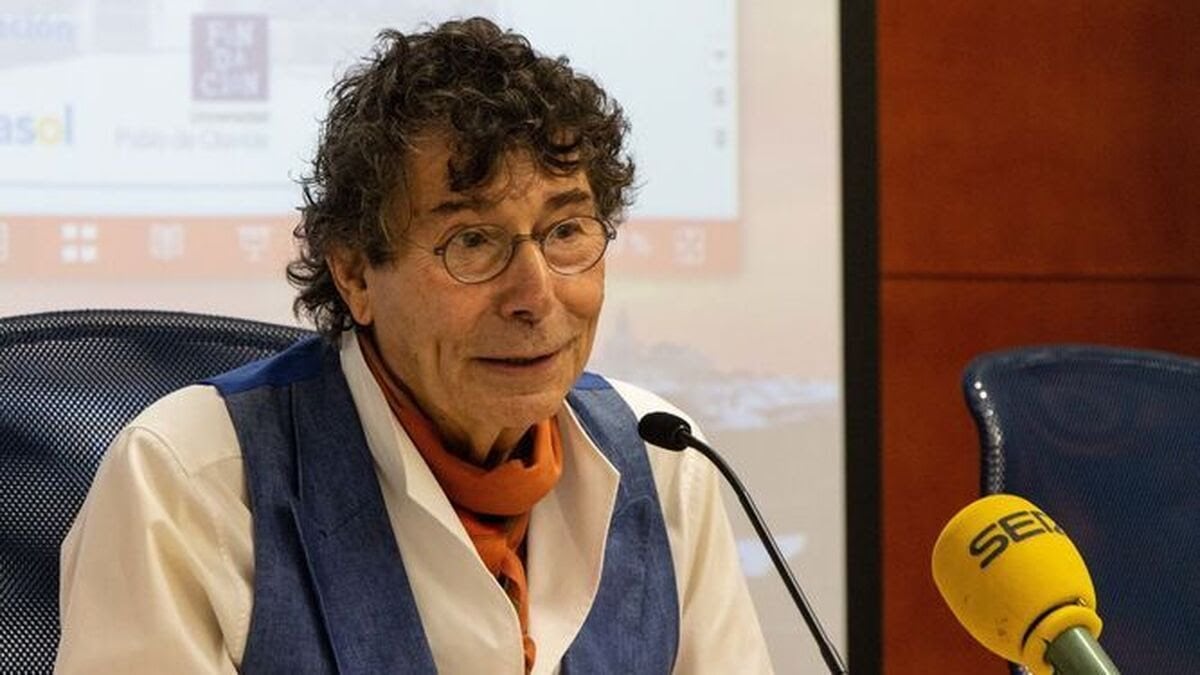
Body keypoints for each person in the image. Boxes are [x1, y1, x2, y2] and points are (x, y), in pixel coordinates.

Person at [56, 17, 771, 674]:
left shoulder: (665, 462)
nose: (535, 294)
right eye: (472, 241)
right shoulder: (187, 480)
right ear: (355, 270)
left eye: (566, 231)